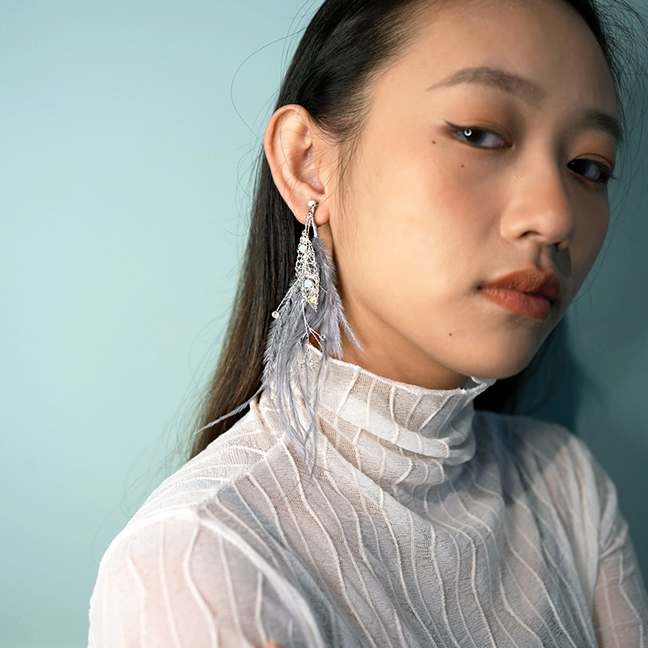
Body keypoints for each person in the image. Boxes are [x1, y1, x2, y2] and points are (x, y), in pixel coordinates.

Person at [87, 0, 648, 646]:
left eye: (589, 167)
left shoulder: (566, 486)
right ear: (308, 163)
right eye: (478, 133)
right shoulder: (199, 563)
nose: (555, 217)